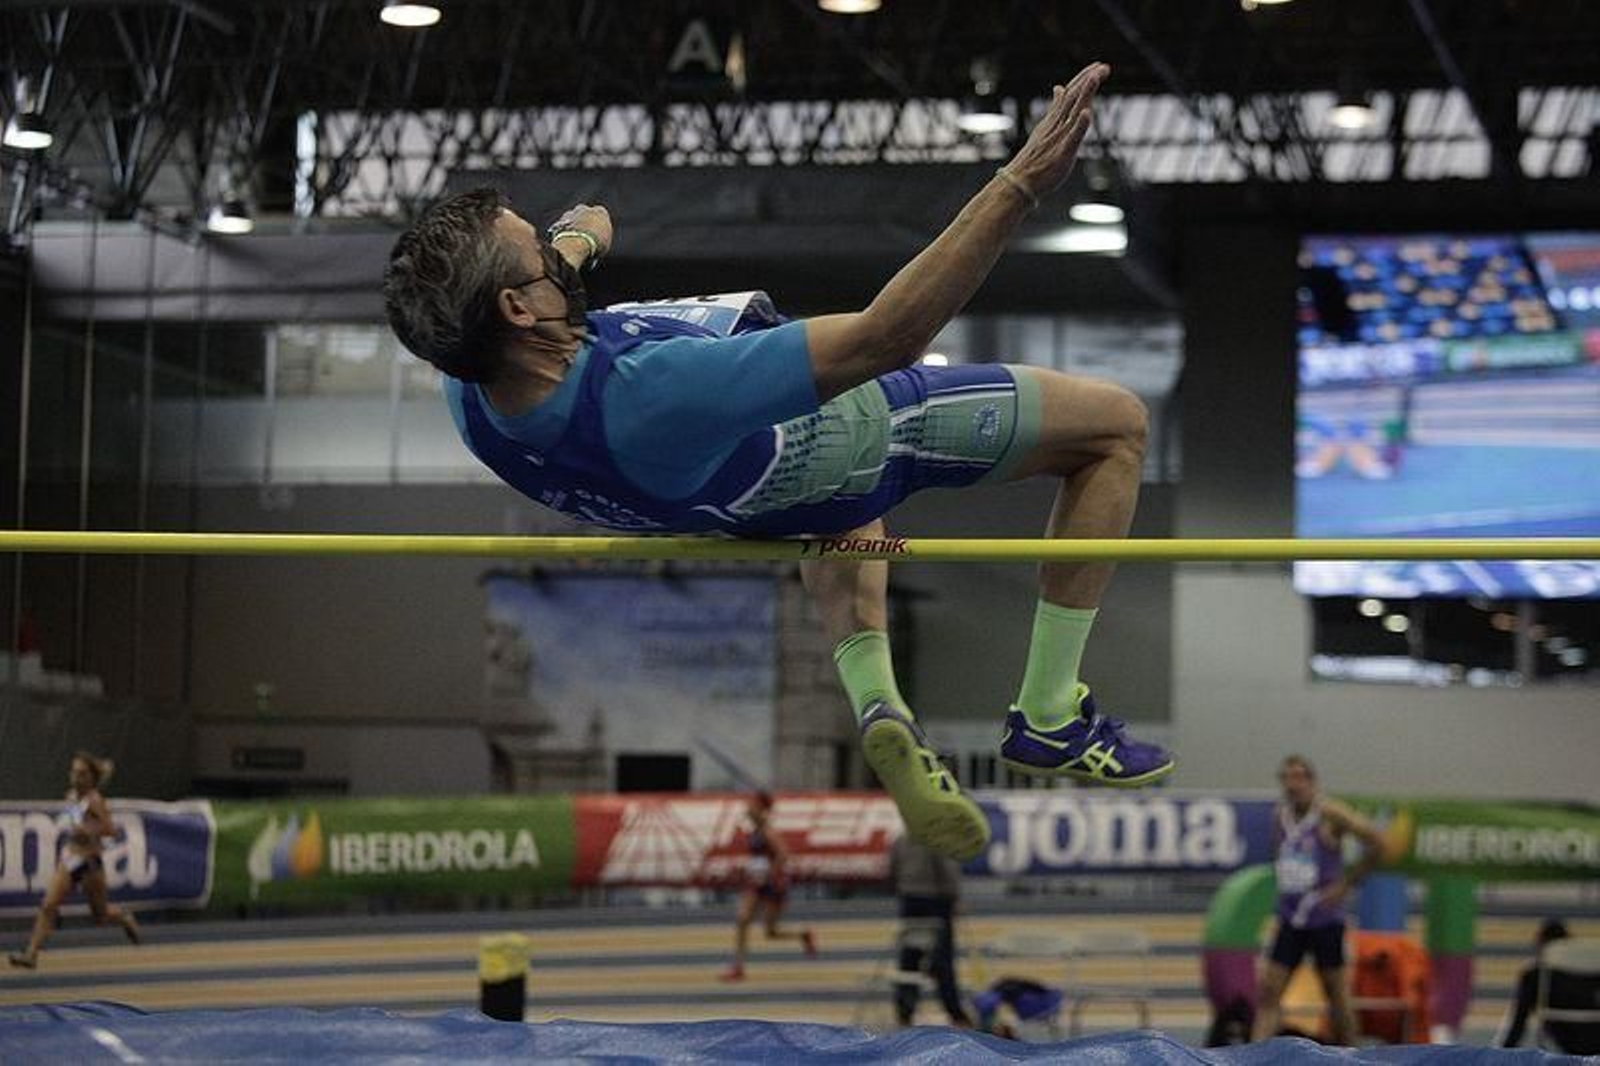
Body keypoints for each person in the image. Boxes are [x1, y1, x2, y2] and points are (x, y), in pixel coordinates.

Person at [382, 62, 1172, 863]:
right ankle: (1049, 711)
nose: (553, 255)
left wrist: (573, 245)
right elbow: (887, 336)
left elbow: (536, 294)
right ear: (517, 308)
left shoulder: (471, 389)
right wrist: (1020, 184)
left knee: (843, 520)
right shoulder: (652, 394)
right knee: (1115, 429)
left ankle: (880, 705)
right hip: (854, 432)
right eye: (539, 256)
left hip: (742, 498)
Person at [1251, 754, 1384, 1045]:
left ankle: (1353, 1055)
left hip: (1325, 918)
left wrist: (1346, 884)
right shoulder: (1279, 816)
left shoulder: (1330, 813)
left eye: (1299, 777)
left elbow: (1376, 841)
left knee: (1336, 994)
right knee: (1269, 990)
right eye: (1286, 778)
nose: (1292, 784)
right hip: (1291, 917)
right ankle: (1254, 1055)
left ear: (1312, 782)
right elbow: (1282, 857)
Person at [8, 752, 141, 969]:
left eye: (81, 774)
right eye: (74, 772)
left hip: (89, 863)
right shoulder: (71, 797)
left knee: (100, 915)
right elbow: (75, 822)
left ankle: (124, 917)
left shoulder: (95, 800)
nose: (76, 777)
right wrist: (77, 830)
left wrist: (89, 831)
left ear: (91, 778)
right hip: (71, 858)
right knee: (48, 905)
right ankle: (31, 954)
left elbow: (110, 830)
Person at [719, 792, 816, 981]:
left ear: (761, 809)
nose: (748, 808)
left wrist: (769, 875)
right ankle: (738, 968)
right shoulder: (754, 831)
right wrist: (746, 871)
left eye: (752, 805)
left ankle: (803, 934)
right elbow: (759, 859)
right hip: (757, 883)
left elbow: (783, 854)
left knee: (771, 932)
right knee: (743, 919)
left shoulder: (768, 832)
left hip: (773, 883)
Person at [889, 832, 972, 1027]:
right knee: (943, 960)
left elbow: (893, 869)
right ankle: (955, 1013)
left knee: (909, 959)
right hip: (937, 901)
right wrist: (955, 898)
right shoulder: (938, 838)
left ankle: (904, 1013)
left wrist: (904, 888)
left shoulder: (901, 839)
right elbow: (946, 868)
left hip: (909, 900)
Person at [1496, 918, 1600, 1053]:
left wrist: (1498, 1055)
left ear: (1542, 945)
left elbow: (1518, 1022)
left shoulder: (1535, 975)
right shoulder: (1592, 970)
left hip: (1567, 1038)